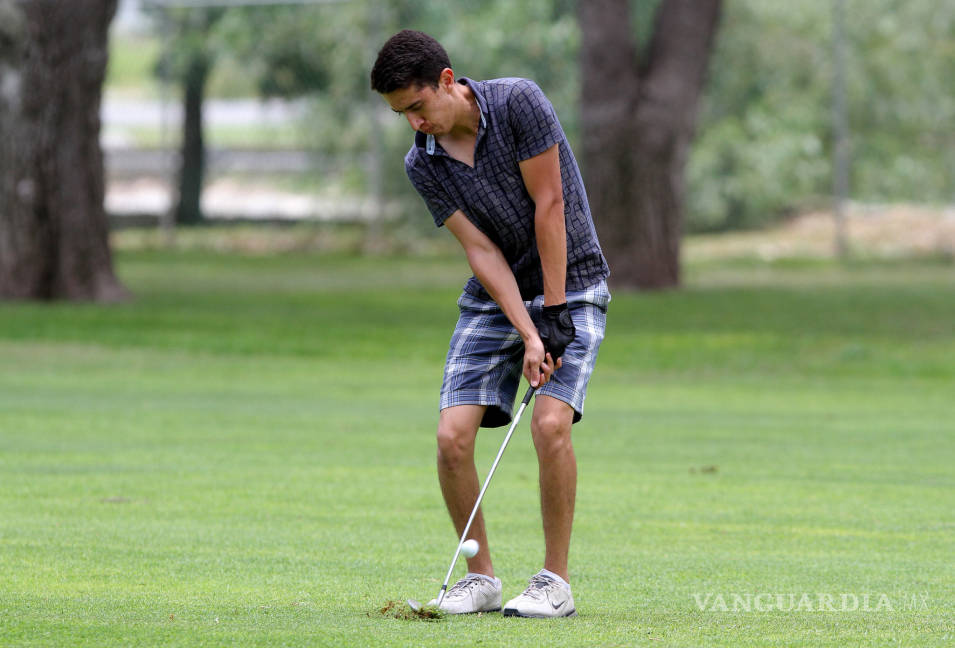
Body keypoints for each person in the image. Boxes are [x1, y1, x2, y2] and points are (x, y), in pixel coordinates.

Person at [370, 30, 610, 618]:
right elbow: (480, 250)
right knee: (452, 438)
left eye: (418, 107)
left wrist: (552, 316)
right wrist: (526, 331)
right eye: (401, 115)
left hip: (571, 282)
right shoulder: (421, 163)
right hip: (494, 295)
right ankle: (481, 580)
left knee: (550, 425)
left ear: (447, 81)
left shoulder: (517, 103)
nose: (414, 124)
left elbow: (549, 204)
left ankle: (555, 581)